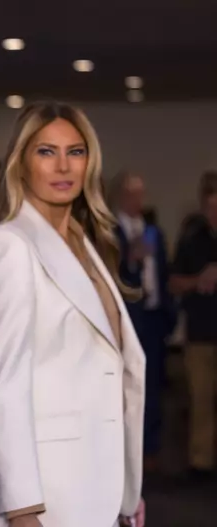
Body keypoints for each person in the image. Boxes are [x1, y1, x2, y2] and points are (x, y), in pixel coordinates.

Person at [0, 102, 146, 527]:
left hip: (103, 486)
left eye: (75, 152)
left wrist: (128, 491)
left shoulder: (86, 243)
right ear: (21, 164)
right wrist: (23, 511)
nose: (63, 166)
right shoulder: (9, 244)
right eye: (46, 152)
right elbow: (5, 386)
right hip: (49, 494)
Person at [110, 170, 176, 472]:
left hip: (153, 317)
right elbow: (108, 275)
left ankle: (149, 449)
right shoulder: (110, 232)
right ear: (121, 196)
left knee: (153, 387)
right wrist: (129, 259)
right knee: (125, 386)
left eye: (141, 194)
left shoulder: (153, 231)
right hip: (127, 318)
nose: (138, 200)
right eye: (132, 194)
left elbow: (164, 272)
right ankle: (123, 450)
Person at [170, 170, 217, 480]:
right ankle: (201, 463)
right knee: (200, 400)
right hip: (200, 333)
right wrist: (198, 280)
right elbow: (173, 283)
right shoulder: (191, 240)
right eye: (211, 207)